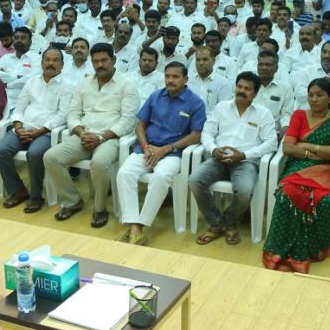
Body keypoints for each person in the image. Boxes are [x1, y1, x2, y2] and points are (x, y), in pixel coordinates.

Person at [262, 78, 330, 273]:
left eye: (319, 95)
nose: (314, 99)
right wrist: (312, 154)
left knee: (328, 202)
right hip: (298, 166)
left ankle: (314, 249)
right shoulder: (299, 116)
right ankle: (280, 249)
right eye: (311, 95)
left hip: (327, 170)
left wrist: (308, 146)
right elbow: (288, 148)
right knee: (286, 193)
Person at [42, 43, 139, 228]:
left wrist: (101, 138)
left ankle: (100, 208)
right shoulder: (84, 83)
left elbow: (128, 121)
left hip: (110, 138)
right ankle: (72, 201)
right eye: (96, 61)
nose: (100, 65)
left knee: (99, 163)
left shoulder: (127, 84)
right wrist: (81, 132)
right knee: (51, 157)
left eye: (104, 60)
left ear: (114, 60)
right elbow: (73, 113)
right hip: (84, 135)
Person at [116, 62, 205, 246]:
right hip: (147, 149)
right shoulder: (155, 96)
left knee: (161, 177)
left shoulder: (195, 102)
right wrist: (145, 146)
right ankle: (133, 225)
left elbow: (196, 135)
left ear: (186, 79)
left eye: (175, 77)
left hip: (173, 153)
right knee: (124, 173)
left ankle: (139, 226)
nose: (170, 80)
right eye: (167, 76)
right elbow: (140, 125)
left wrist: (166, 149)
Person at [191, 72, 277, 245]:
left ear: (255, 93)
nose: (242, 91)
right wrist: (214, 149)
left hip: (245, 162)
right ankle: (216, 222)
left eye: (247, 89)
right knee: (194, 180)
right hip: (219, 159)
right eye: (239, 87)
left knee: (244, 190)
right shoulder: (221, 107)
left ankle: (228, 222)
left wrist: (244, 155)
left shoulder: (263, 113)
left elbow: (271, 143)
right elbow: (207, 133)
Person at [0, 46, 70, 213]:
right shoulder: (32, 82)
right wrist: (19, 127)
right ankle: (18, 190)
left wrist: (39, 132)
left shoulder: (67, 86)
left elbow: (63, 115)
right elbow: (19, 108)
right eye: (47, 60)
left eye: (55, 60)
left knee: (34, 154)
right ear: (41, 63)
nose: (51, 63)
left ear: (62, 65)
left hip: (46, 133)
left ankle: (36, 195)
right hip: (24, 129)